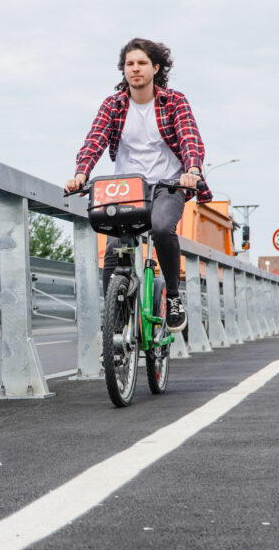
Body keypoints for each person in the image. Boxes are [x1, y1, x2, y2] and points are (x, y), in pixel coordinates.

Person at [64, 38, 212, 332]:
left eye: (142, 63)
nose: (136, 69)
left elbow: (189, 137)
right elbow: (95, 140)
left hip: (168, 185)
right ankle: (115, 322)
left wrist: (192, 170)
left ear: (156, 68)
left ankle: (172, 297)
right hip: (127, 188)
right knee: (114, 246)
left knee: (160, 228)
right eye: (130, 64)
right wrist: (81, 173)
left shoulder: (174, 101)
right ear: (124, 70)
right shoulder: (113, 104)